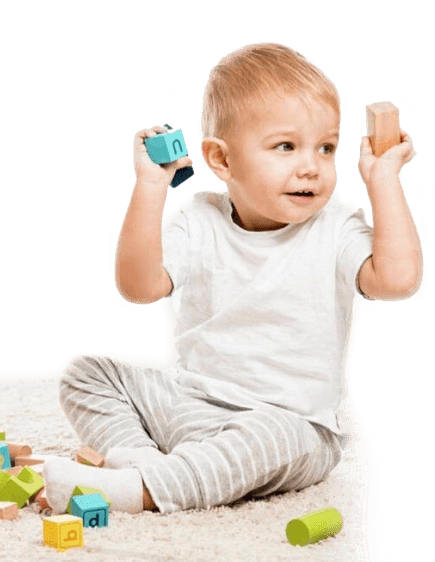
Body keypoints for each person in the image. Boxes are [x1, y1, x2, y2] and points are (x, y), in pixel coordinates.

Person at [42, 40, 423, 514]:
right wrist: (151, 187)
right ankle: (136, 461)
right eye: (286, 146)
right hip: (189, 407)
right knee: (86, 373)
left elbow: (400, 280)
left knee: (276, 438)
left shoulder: (336, 227)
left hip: (290, 425)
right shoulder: (199, 217)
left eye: (326, 147)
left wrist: (384, 182)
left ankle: (139, 491)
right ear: (221, 160)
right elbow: (137, 288)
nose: (311, 165)